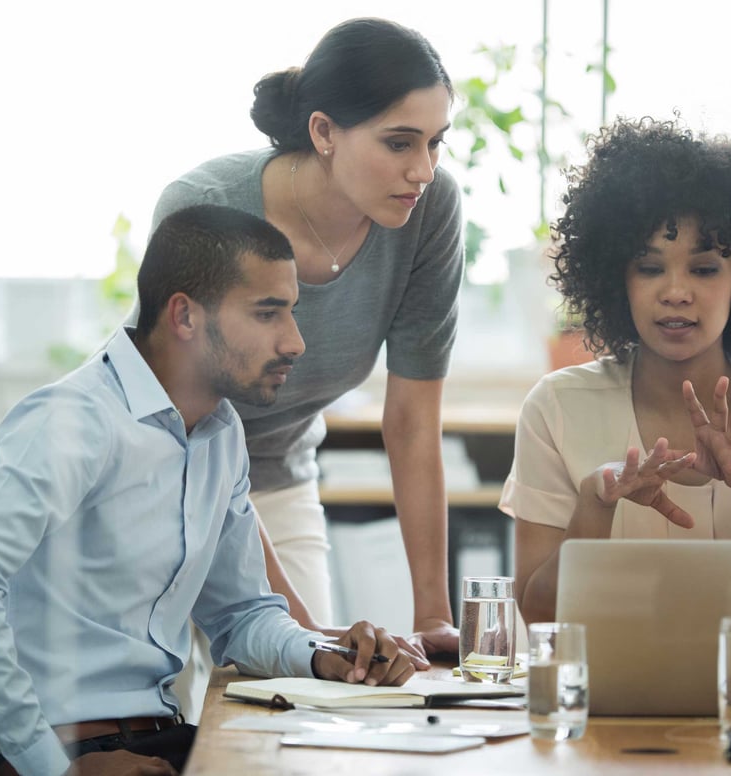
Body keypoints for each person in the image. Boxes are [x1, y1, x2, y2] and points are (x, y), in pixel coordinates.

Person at [0, 205, 414, 776]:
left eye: (290, 312)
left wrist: (327, 656)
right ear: (185, 316)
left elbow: (242, 614)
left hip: (162, 739)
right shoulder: (72, 422)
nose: (295, 342)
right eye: (267, 313)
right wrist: (55, 769)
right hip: (68, 752)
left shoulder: (220, 433)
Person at [139, 17, 463, 660]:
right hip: (165, 476)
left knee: (302, 703)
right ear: (324, 133)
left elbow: (411, 422)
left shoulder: (428, 213)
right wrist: (301, 634)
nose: (423, 170)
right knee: (197, 695)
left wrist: (434, 617)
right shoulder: (206, 207)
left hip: (279, 477)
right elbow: (189, 430)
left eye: (435, 143)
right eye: (399, 143)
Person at [502, 117, 731, 625]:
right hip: (611, 678)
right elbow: (536, 618)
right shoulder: (556, 407)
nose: (676, 292)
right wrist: (594, 504)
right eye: (650, 268)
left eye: (703, 269)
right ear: (619, 277)